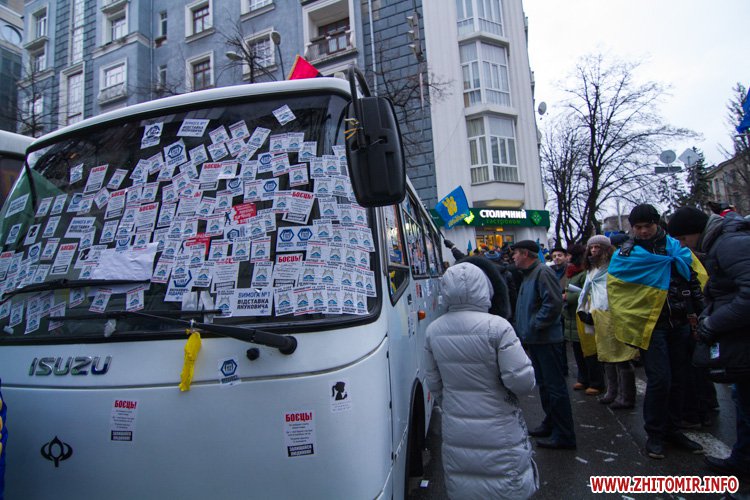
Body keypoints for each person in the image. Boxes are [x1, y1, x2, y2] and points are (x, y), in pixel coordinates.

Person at [424, 262, 538, 499]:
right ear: (484, 288)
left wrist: (452, 402)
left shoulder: (434, 330)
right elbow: (522, 382)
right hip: (499, 424)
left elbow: (434, 382)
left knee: (465, 480)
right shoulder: (498, 327)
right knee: (506, 482)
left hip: (457, 424)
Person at [607, 204, 705, 459]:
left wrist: (701, 313)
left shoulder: (675, 247)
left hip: (680, 323)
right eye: (637, 227)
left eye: (647, 226)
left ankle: (674, 429)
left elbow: (692, 280)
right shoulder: (627, 254)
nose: (643, 231)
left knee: (680, 379)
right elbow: (618, 293)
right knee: (660, 380)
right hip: (652, 328)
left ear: (657, 223)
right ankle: (655, 434)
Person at [666, 206, 750, 477]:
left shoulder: (728, 244)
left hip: (741, 332)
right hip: (739, 332)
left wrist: (713, 322)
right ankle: (742, 459)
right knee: (742, 400)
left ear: (695, 232)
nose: (682, 245)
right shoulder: (723, 242)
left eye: (682, 238)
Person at [512, 240, 576, 449]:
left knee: (555, 387)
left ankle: (564, 435)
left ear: (526, 254)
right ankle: (551, 423)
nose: (513, 257)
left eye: (516, 253)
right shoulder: (530, 274)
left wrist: (535, 325)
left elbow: (553, 303)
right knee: (545, 386)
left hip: (546, 340)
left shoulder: (542, 272)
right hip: (537, 340)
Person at [577, 235, 637, 407]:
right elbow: (587, 291)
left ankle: (627, 396)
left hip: (614, 314)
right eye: (591, 247)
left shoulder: (615, 266)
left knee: (621, 356)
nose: (594, 250)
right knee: (606, 355)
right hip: (598, 315)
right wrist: (584, 311)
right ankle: (612, 391)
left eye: (597, 247)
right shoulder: (591, 269)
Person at [564, 244, 605, 394]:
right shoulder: (571, 272)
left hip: (583, 315)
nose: (566, 258)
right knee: (578, 351)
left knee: (590, 351)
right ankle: (583, 378)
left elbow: (587, 292)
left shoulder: (584, 272)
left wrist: (568, 297)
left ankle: (596, 381)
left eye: (568, 255)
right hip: (571, 316)